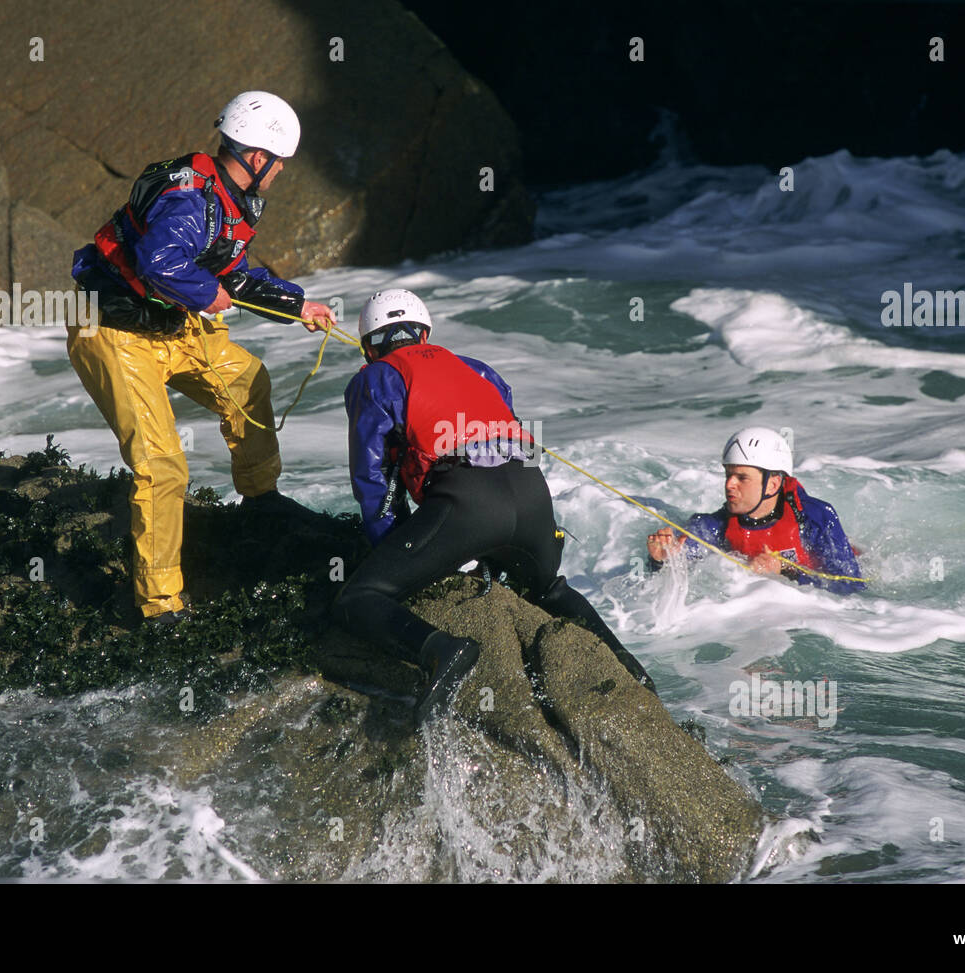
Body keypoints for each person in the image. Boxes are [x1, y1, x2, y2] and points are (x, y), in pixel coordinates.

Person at [67, 91, 336, 623]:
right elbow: (160, 261)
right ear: (258, 158)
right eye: (280, 162)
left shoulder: (229, 195)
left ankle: (261, 499)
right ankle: (159, 603)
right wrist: (204, 294)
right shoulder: (191, 198)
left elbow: (231, 275)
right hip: (116, 334)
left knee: (248, 382)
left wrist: (297, 303)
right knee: (163, 466)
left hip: (173, 326)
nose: (282, 172)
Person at [334, 289, 656, 722]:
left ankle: (444, 651)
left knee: (360, 596)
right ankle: (629, 668)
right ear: (426, 333)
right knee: (546, 589)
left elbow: (372, 479)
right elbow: (510, 439)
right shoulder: (478, 369)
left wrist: (397, 552)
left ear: (369, 347)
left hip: (468, 506)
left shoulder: (375, 378)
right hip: (532, 497)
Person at [647, 427, 865, 594]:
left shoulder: (815, 517)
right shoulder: (713, 525)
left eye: (742, 478)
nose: (729, 484)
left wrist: (786, 572)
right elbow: (681, 562)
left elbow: (850, 585)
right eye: (728, 474)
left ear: (773, 484)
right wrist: (662, 559)